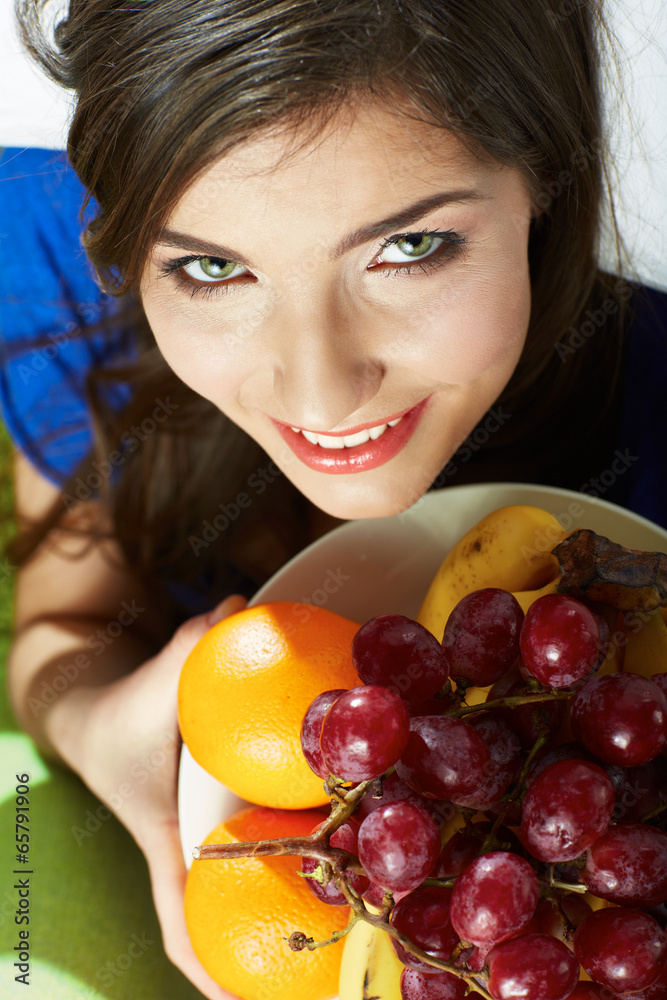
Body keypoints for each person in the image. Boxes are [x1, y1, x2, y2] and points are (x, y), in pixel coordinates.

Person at [1, 0, 665, 996]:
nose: (317, 391)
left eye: (408, 248)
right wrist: (99, 725)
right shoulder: (60, 275)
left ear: (542, 175)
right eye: (212, 267)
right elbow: (68, 617)